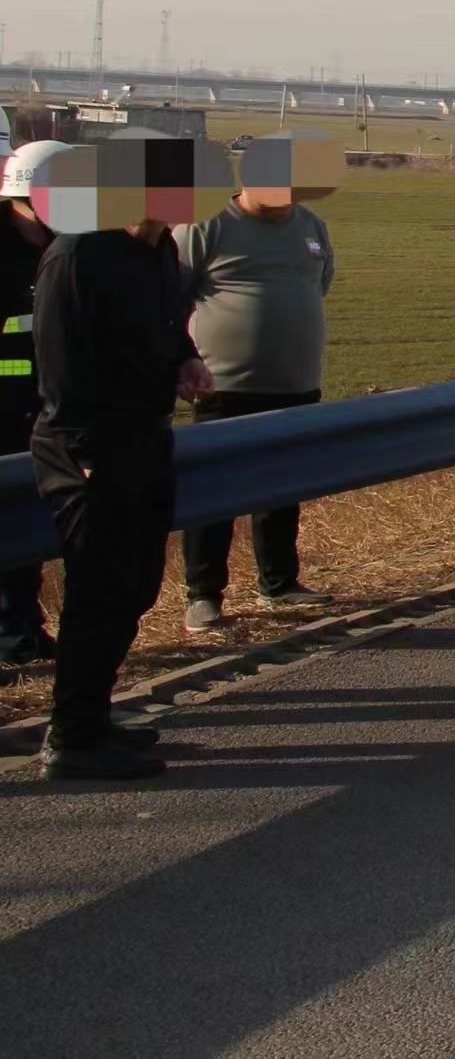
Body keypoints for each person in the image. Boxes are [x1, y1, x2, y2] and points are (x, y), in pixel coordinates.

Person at [27, 134, 224, 780]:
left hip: (145, 439)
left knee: (135, 585)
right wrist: (90, 453)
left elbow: (169, 322)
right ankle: (72, 737)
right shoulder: (78, 255)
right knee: (98, 590)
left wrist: (185, 361)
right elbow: (60, 368)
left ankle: (94, 717)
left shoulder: (159, 250)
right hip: (90, 448)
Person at [175, 134, 340, 633]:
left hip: (294, 384)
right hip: (223, 386)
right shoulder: (207, 227)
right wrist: (181, 360)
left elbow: (320, 282)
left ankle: (280, 583)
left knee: (282, 490)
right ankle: (204, 594)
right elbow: (169, 298)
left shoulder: (311, 227)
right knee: (214, 494)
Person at [0, 137, 69, 670]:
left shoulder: (67, 249)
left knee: (30, 524)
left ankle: (25, 625)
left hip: (45, 410)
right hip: (6, 408)